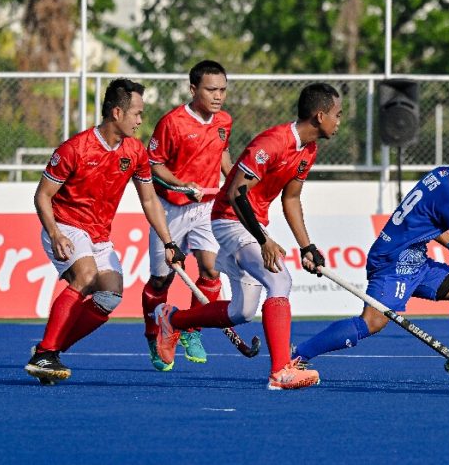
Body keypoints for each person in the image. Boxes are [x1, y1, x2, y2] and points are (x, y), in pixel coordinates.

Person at [153, 83, 342, 390]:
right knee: (280, 280)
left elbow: (291, 199)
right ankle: (281, 370)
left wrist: (308, 246)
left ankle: (172, 320)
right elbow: (236, 192)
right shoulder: (273, 142)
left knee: (240, 312)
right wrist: (264, 240)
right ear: (320, 116)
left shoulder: (309, 150)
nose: (339, 121)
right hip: (230, 219)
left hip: (252, 225)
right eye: (337, 114)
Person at [292, 131, 449, 377]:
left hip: (416, 260)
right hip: (393, 262)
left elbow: (423, 223)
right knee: (372, 322)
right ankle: (297, 355)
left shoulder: (440, 175)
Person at [25, 78, 184, 385]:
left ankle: (52, 350)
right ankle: (44, 352)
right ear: (116, 113)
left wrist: (169, 241)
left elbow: (149, 199)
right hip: (66, 224)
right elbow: (42, 195)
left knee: (110, 296)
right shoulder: (75, 149)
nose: (140, 120)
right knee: (85, 276)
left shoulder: (135, 152)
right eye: (136, 113)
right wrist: (56, 234)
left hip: (99, 235)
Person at [140, 60, 233, 371]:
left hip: (206, 208)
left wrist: (234, 181)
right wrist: (181, 184)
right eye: (211, 89)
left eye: (222, 89)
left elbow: (222, 152)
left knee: (211, 270)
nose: (218, 95)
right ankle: (154, 334)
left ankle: (192, 330)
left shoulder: (224, 121)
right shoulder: (173, 122)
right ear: (193, 89)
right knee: (160, 279)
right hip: (170, 208)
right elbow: (154, 164)